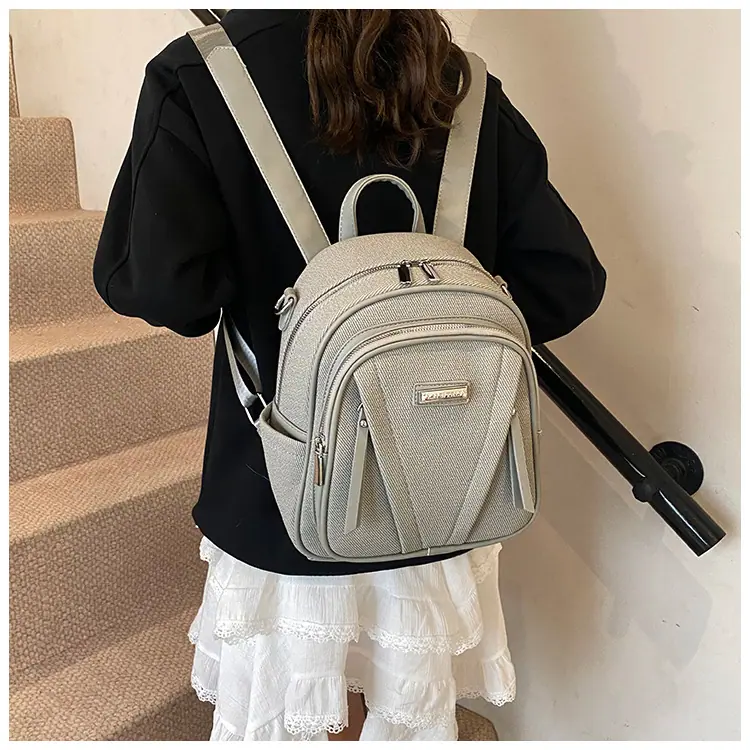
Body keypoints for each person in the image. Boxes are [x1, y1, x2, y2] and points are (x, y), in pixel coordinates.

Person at [93, 9, 606, 742]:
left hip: (286, 489)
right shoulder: (459, 82)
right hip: (439, 487)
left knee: (304, 715)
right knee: (405, 708)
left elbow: (161, 289)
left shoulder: (201, 74)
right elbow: (566, 280)